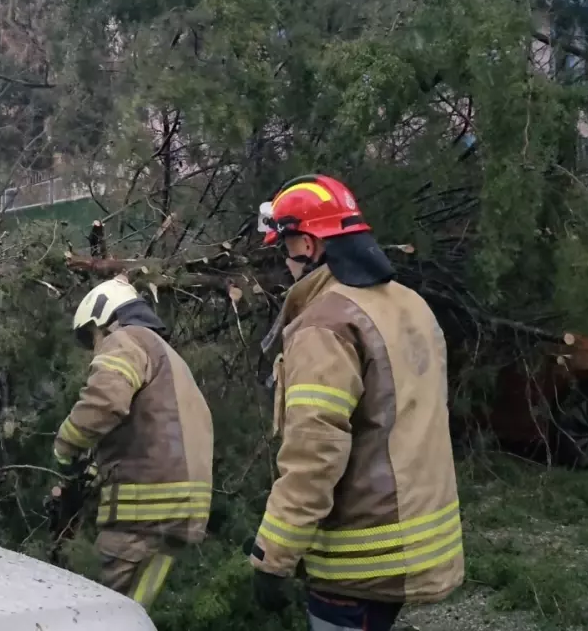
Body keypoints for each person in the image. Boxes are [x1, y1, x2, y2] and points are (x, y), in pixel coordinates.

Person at [248, 175, 463, 630]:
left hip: (359, 560)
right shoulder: (409, 304)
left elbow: (314, 453)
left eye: (285, 247)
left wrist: (274, 554)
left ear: (307, 245)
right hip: (421, 540)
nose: (285, 262)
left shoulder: (325, 325)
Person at [52, 277, 214, 610]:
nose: (95, 347)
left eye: (92, 336)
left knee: (104, 612)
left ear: (104, 318)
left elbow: (105, 402)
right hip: (181, 511)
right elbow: (147, 431)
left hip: (144, 511)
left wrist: (65, 446)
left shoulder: (125, 338)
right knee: (134, 612)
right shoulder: (166, 357)